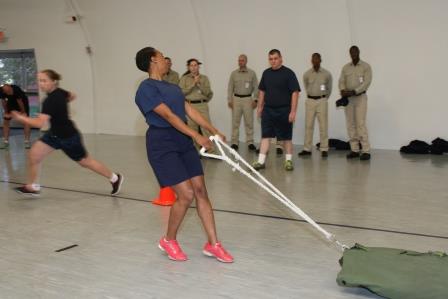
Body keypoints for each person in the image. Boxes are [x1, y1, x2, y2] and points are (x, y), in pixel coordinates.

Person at [134, 47, 233, 263]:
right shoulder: (146, 88)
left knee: (200, 191)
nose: (164, 58)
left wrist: (213, 130)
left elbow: (189, 110)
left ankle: (213, 244)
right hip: (162, 144)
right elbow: (168, 116)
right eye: (160, 55)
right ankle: (169, 240)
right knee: (186, 195)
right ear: (153, 60)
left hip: (183, 141)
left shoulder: (172, 86)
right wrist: (196, 137)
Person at [10, 69, 123, 196]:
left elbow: (39, 124)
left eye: (44, 81)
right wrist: (60, 108)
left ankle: (115, 178)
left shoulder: (50, 101)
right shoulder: (61, 92)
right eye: (39, 81)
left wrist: (21, 118)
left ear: (54, 81)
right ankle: (32, 186)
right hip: (54, 134)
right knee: (34, 155)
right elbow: (72, 95)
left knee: (86, 162)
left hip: (68, 138)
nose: (41, 84)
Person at [253, 49, 300, 171]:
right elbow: (262, 91)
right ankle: (261, 161)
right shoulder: (266, 73)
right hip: (268, 110)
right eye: (271, 59)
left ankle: (288, 161)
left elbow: (295, 92)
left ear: (281, 59)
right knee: (265, 136)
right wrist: (260, 107)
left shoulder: (289, 73)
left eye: (275, 58)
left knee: (286, 138)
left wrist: (293, 111)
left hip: (284, 110)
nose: (273, 61)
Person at [338, 45, 372, 160]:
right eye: (351, 52)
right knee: (350, 124)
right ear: (349, 53)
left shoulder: (366, 67)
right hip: (349, 99)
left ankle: (366, 150)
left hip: (360, 98)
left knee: (360, 123)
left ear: (358, 52)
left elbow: (366, 83)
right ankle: (354, 149)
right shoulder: (345, 68)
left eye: (355, 52)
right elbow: (341, 81)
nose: (353, 54)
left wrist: (354, 91)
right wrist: (342, 90)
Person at [298, 53, 332, 158]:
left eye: (317, 59)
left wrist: (324, 98)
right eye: (314, 59)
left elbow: (329, 89)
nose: (315, 61)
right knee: (308, 125)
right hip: (310, 101)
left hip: (322, 100)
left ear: (320, 60)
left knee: (323, 125)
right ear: (311, 61)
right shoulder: (307, 74)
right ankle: (307, 149)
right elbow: (306, 86)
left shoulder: (327, 74)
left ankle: (324, 148)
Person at [178, 58, 215, 152]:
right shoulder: (184, 79)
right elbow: (181, 93)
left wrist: (199, 84)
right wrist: (193, 84)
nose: (194, 67)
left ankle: (211, 150)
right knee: (192, 129)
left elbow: (208, 93)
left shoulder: (204, 78)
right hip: (190, 106)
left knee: (206, 128)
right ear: (188, 67)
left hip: (202, 105)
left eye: (196, 65)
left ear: (198, 66)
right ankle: (196, 151)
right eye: (192, 65)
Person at [227, 54, 258, 151]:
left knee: (249, 122)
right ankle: (234, 142)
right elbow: (230, 88)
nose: (240, 62)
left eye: (242, 60)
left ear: (246, 61)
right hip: (236, 100)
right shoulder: (234, 74)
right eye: (239, 60)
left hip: (247, 100)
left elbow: (256, 87)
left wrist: (255, 99)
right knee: (235, 122)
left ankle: (250, 142)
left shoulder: (252, 73)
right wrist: (230, 100)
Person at [0, 84, 32, 149]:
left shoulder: (16, 89)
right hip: (11, 102)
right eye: (6, 92)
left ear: (8, 86)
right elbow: (3, 102)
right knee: (6, 121)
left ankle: (27, 141)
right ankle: (6, 142)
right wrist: (6, 111)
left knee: (26, 122)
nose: (7, 92)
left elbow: (19, 102)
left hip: (23, 102)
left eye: (8, 90)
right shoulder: (1, 91)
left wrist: (23, 112)